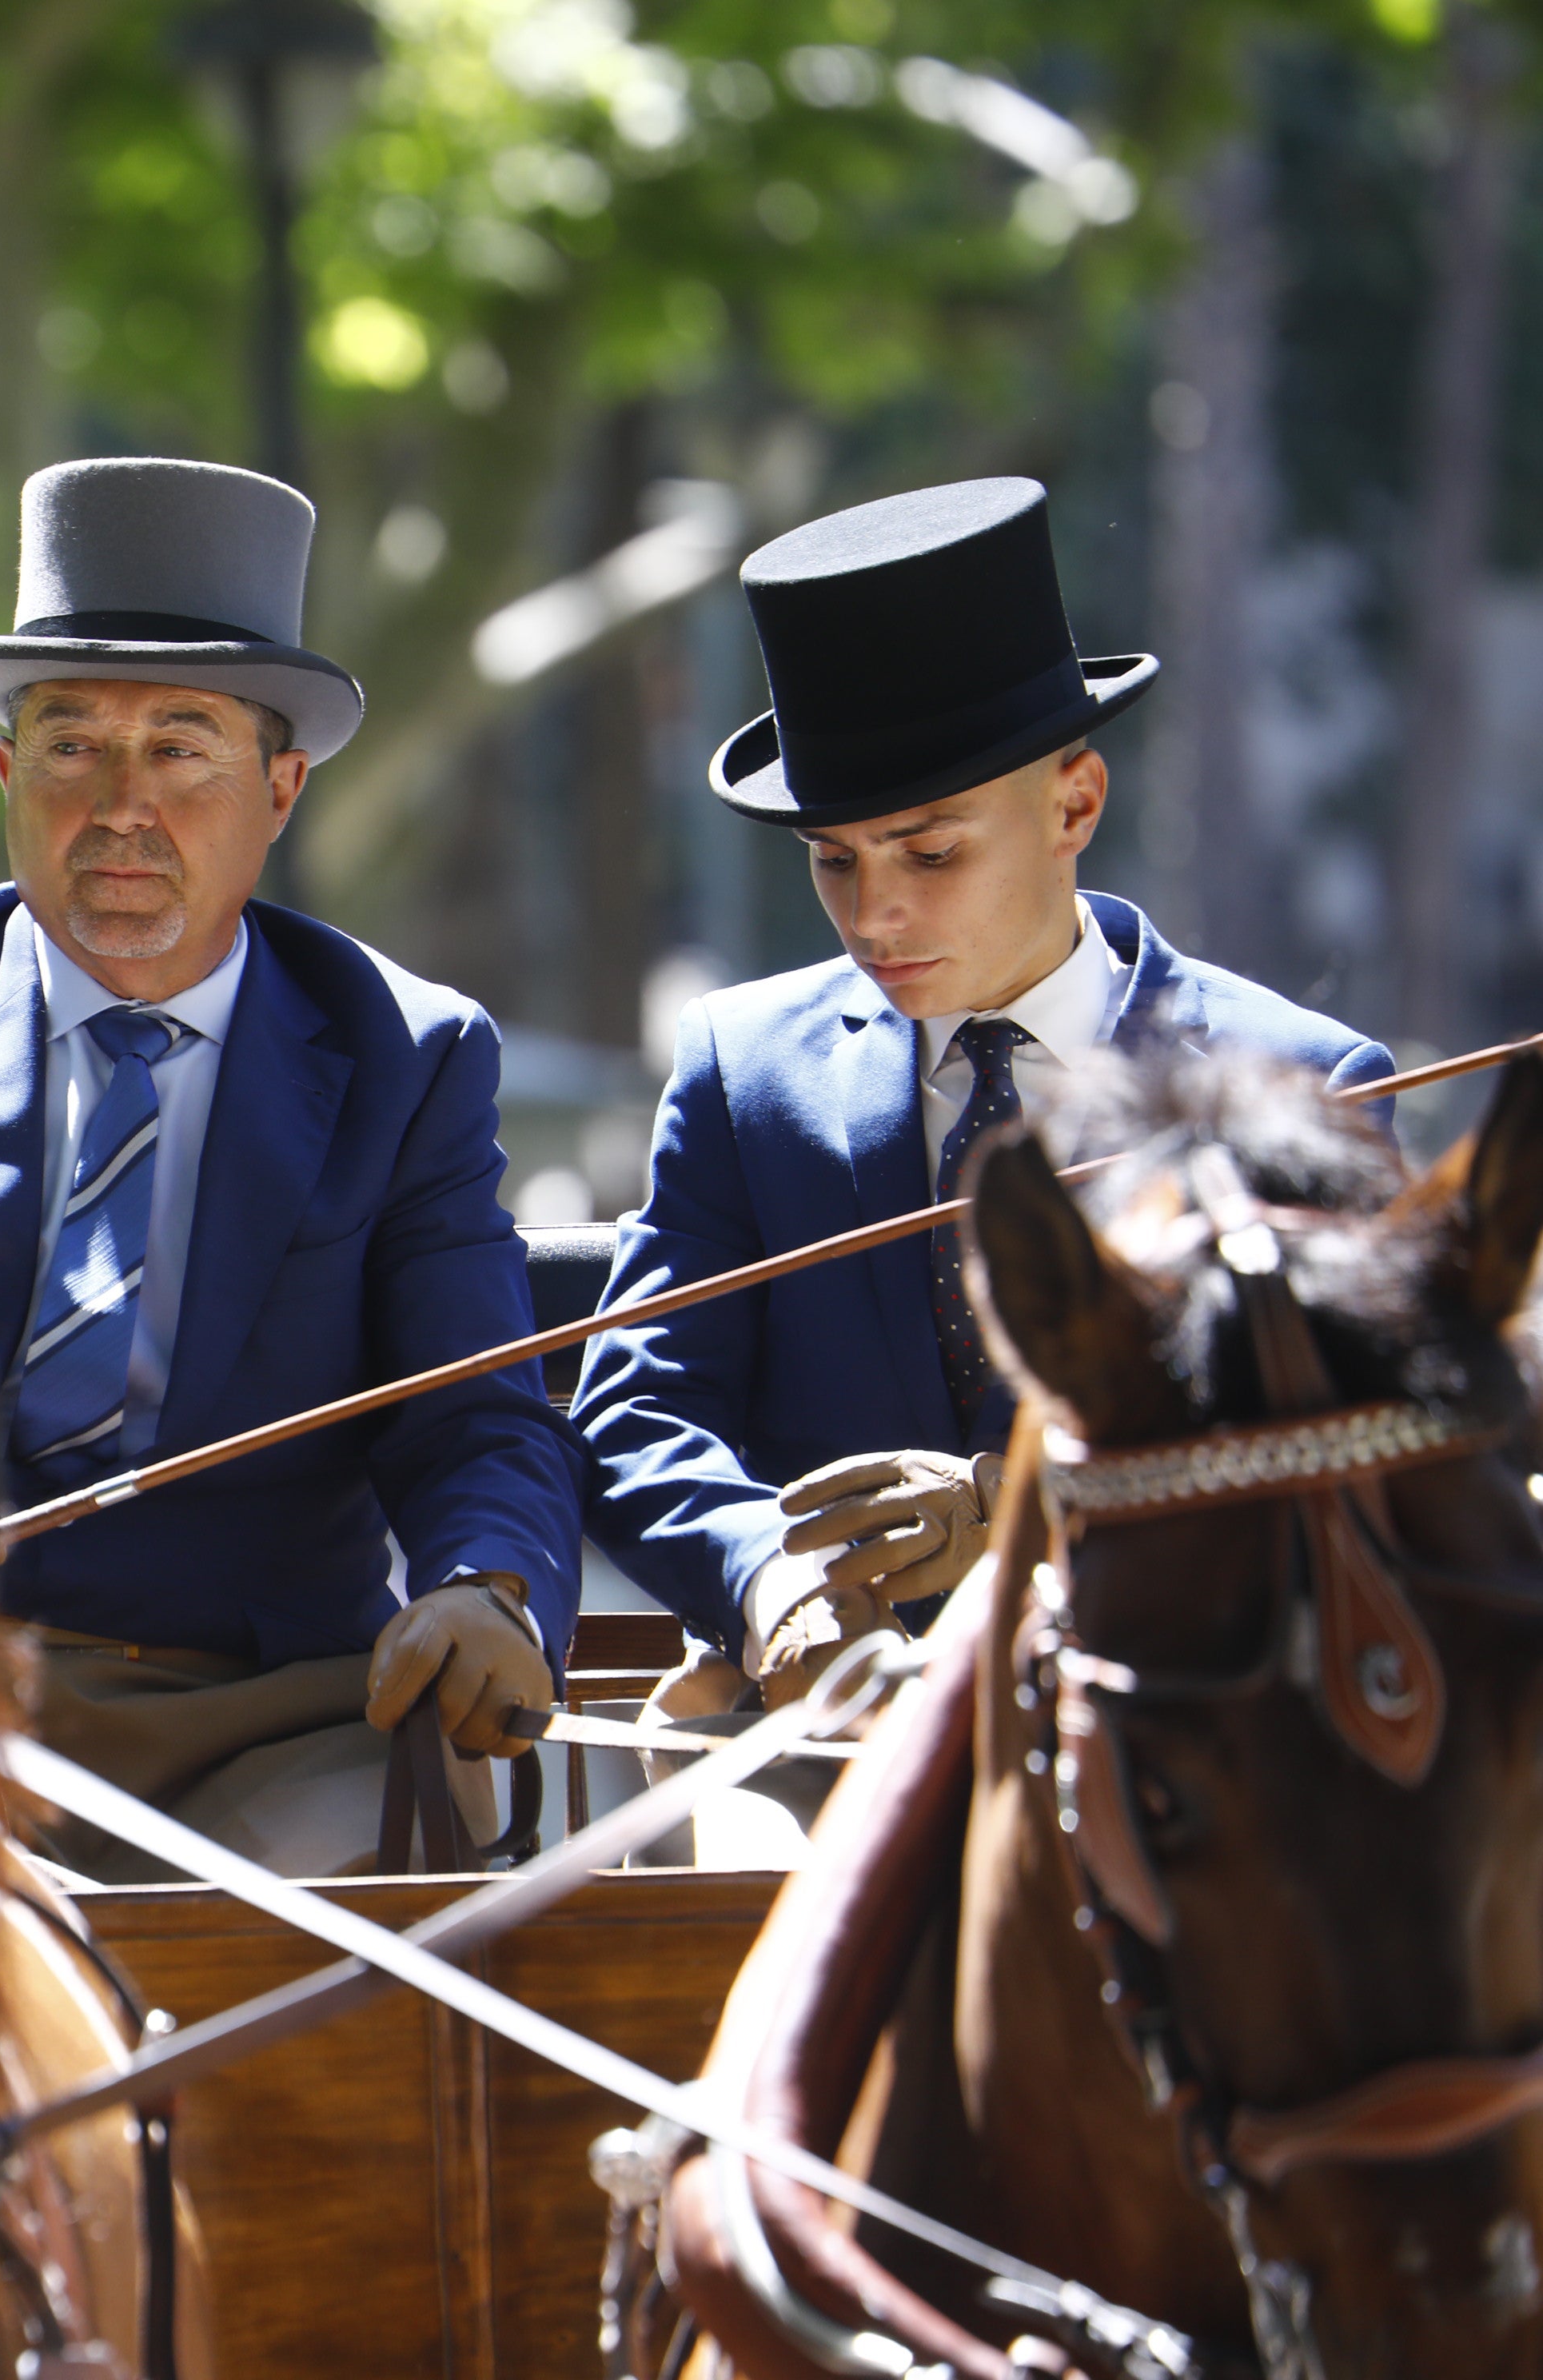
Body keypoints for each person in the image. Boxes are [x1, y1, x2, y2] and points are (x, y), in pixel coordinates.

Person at [0, 455, 583, 1880]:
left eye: (180, 749)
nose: (119, 808)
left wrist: (486, 1586)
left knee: (318, 1942)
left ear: (278, 791)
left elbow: (470, 1418)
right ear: (4, 773)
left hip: (264, 1714)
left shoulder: (404, 1054)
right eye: (71, 746)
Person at [572, 478, 1392, 1713]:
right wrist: (761, 1580)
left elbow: (1340, 1448)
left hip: (1193, 1737)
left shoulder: (1299, 1085)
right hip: (820, 1740)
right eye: (831, 861)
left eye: (930, 850)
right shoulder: (745, 1068)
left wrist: (1022, 1501)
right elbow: (637, 1407)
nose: (873, 915)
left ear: (1075, 802)